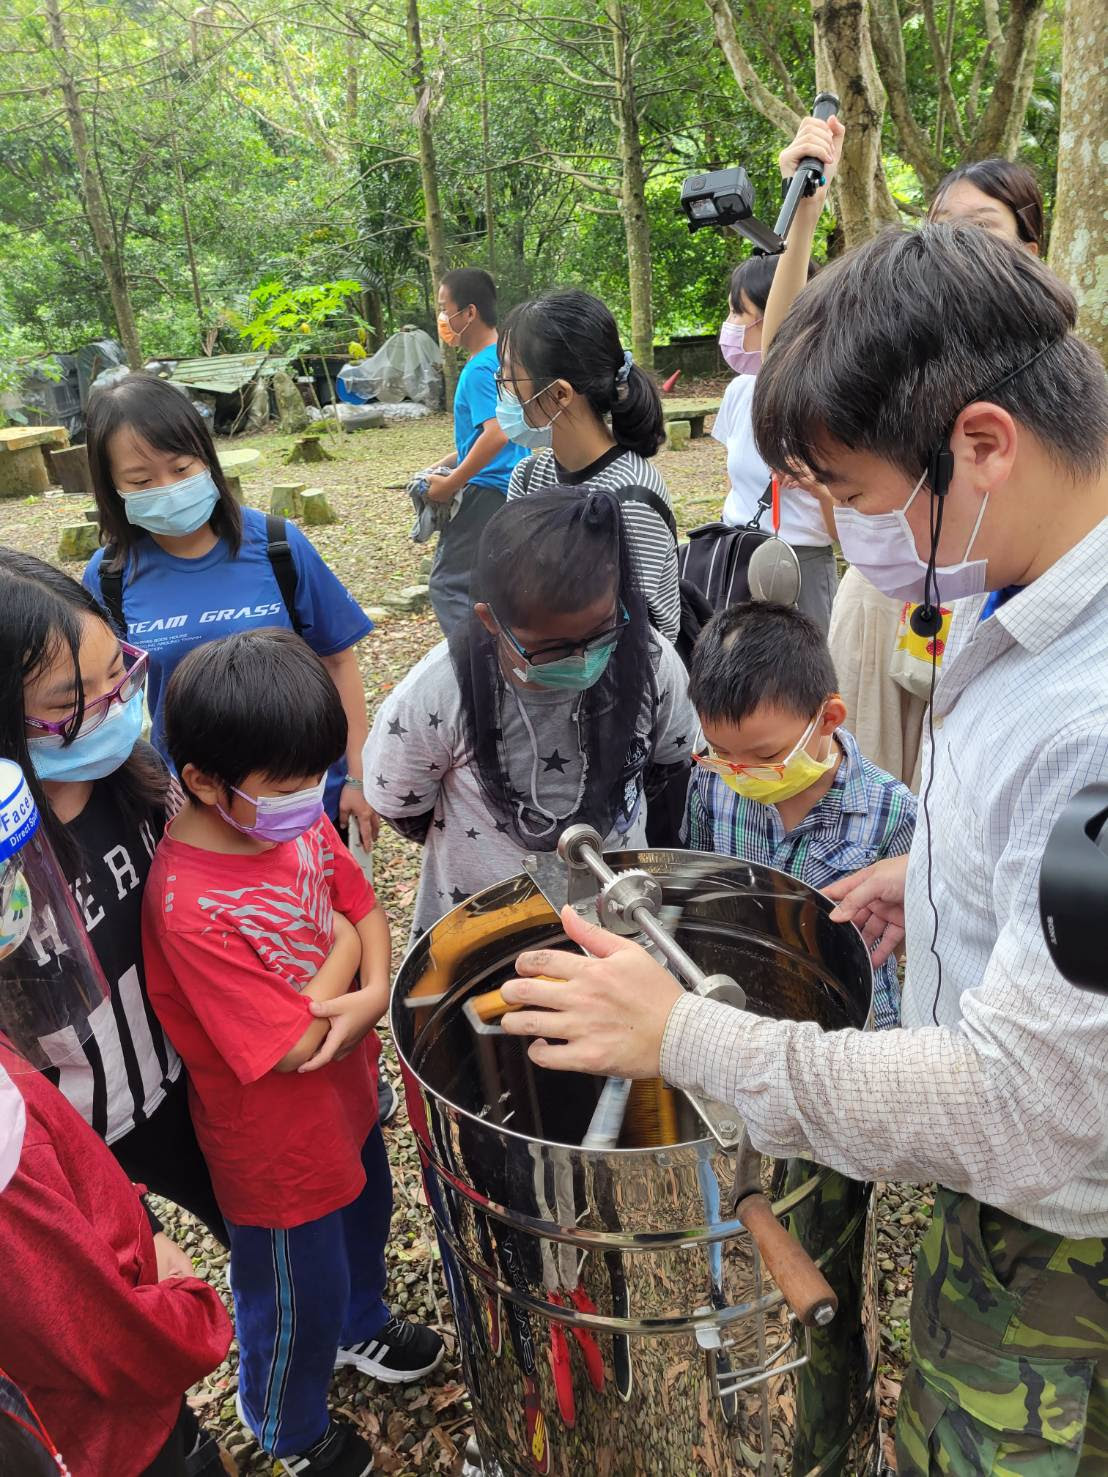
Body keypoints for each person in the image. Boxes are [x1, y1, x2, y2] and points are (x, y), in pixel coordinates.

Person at [497, 222, 1108, 1472]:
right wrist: (928, 886)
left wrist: (684, 1035)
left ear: (983, 443)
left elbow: (1032, 1105)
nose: (841, 526)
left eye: (856, 491)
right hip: (1001, 1216)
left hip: (1066, 1253)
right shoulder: (1025, 594)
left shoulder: (1091, 715)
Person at [143, 628, 443, 1477]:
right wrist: (355, 964)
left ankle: (361, 1321)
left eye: (318, 776)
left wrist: (371, 982)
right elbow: (295, 1045)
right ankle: (285, 1422)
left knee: (367, 1220)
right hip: (275, 1152)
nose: (311, 796)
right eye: (287, 784)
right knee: (288, 1293)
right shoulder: (190, 903)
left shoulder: (297, 823)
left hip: (347, 1102)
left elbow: (363, 904)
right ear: (202, 780)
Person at [0, 548, 227, 1241]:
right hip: (70, 1125)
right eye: (71, 707)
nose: (112, 711)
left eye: (116, 676)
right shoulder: (12, 848)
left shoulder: (141, 775)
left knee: (242, 1216)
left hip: (185, 1065)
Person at [362, 487, 697, 937]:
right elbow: (401, 803)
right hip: (484, 920)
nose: (581, 658)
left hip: (615, 911)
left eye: (601, 634)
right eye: (552, 649)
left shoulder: (651, 663)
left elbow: (669, 762)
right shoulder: (439, 692)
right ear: (489, 621)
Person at [82, 373, 377, 847]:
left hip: (302, 798)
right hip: (193, 811)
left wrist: (359, 779)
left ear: (206, 457)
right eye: (141, 479)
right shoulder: (109, 578)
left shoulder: (278, 547)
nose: (167, 487)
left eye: (180, 469)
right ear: (113, 486)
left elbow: (338, 660)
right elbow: (104, 701)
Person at [0, 1047, 233, 1477]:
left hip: (131, 1389)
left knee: (181, 1436)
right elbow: (99, 1337)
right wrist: (196, 1312)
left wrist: (147, 1224)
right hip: (111, 1437)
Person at [684, 601, 916, 1028]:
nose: (742, 772)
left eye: (766, 756)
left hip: (848, 1009)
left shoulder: (891, 809)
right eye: (721, 753)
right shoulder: (712, 783)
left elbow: (904, 929)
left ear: (827, 718)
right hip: (746, 992)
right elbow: (701, 875)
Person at [499, 289, 680, 645]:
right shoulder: (528, 477)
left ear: (560, 394)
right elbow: (510, 586)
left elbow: (624, 638)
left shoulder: (632, 498)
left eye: (509, 380)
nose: (504, 394)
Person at [715, 257, 838, 632]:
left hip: (800, 564)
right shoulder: (739, 391)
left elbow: (848, 534)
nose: (730, 325)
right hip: (736, 556)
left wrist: (818, 488)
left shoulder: (827, 402)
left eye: (740, 312)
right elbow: (736, 484)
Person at [422, 268, 528, 635]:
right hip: (512, 489)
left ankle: (474, 670)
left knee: (449, 585)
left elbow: (496, 435)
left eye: (443, 308)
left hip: (485, 493)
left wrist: (451, 485)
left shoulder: (480, 368)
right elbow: (498, 432)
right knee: (493, 587)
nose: (441, 319)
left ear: (468, 312)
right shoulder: (507, 359)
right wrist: (445, 463)